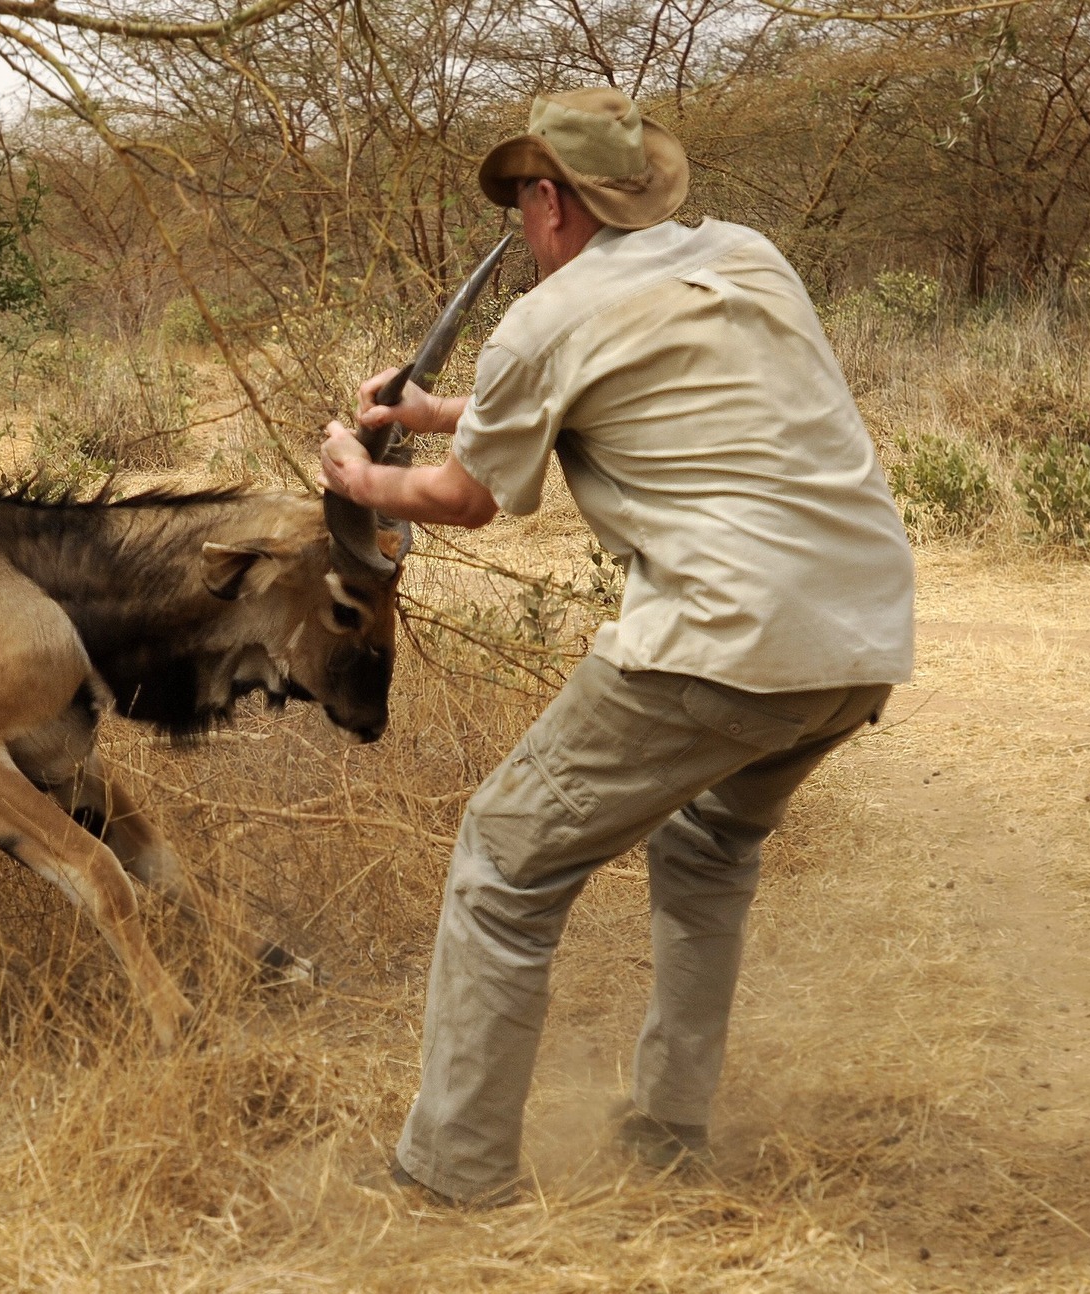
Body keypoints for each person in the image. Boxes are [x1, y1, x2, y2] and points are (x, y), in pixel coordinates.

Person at [319, 86, 916, 1206]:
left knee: (502, 863)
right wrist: (455, 407)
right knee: (706, 850)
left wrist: (362, 476)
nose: (521, 221)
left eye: (521, 200)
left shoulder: (545, 320)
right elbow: (625, 390)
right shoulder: (747, 255)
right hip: (861, 634)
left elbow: (464, 503)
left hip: (723, 640)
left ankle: (452, 1175)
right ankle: (670, 1126)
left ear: (548, 199)